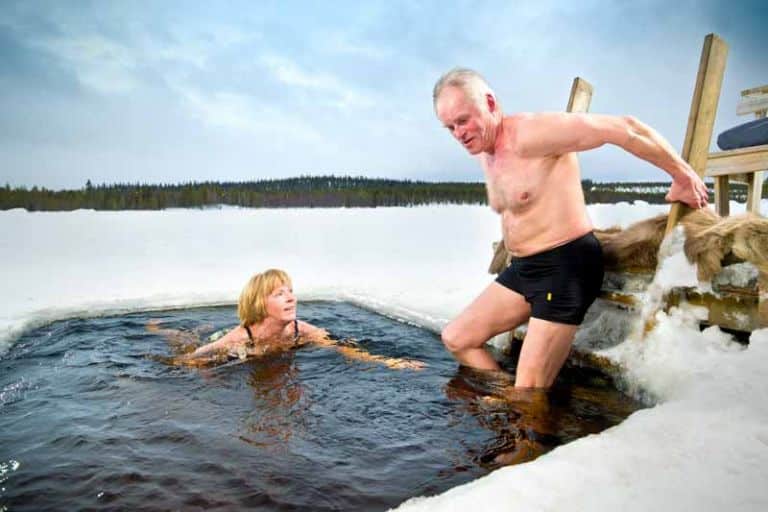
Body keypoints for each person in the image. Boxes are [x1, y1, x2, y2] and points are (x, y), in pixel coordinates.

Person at [433, 68, 709, 388]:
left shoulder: (530, 133)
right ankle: (508, 403)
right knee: (457, 339)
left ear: (490, 103)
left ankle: (524, 407)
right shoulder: (486, 150)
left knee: (528, 390)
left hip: (565, 266)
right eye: (450, 127)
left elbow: (625, 128)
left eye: (463, 120)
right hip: (525, 268)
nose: (458, 133)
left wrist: (682, 175)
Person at [148, 268, 424, 370]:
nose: (291, 298)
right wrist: (202, 370)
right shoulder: (242, 336)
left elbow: (345, 349)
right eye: (280, 294)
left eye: (290, 291)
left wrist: (390, 362)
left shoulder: (300, 329)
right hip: (220, 340)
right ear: (260, 303)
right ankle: (157, 328)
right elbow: (189, 359)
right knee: (184, 341)